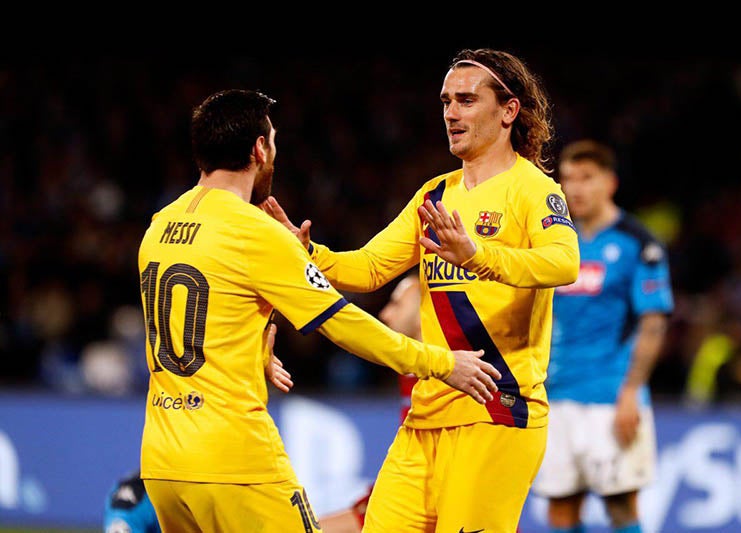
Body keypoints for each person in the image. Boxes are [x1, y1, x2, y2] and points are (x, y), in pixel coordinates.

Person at [136, 88, 502, 532]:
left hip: (161, 461)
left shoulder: (159, 226)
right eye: (273, 141)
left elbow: (196, 321)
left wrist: (253, 353)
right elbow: (343, 323)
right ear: (258, 149)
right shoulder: (255, 231)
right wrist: (440, 363)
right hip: (233, 458)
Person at [265, 48, 580, 532]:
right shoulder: (433, 195)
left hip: (495, 414)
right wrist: (307, 254)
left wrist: (477, 256)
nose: (452, 112)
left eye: (467, 100)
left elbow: (564, 262)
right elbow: (369, 268)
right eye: (446, 101)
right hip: (425, 416)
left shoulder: (534, 190)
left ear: (508, 111)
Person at [529, 139, 674, 533]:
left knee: (621, 506)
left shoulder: (638, 244)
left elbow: (653, 323)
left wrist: (631, 393)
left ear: (609, 182)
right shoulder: (552, 242)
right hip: (553, 395)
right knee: (560, 509)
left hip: (610, 397)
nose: (575, 188)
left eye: (587, 178)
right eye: (568, 179)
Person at [318, 273, 423, 533]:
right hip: (409, 496)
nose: (385, 314)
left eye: (397, 303)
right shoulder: (408, 371)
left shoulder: (460, 376)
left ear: (426, 308)